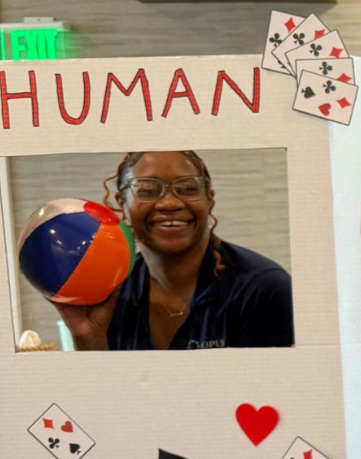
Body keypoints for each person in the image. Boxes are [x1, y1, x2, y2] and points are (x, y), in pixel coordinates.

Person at [54, 150, 293, 350]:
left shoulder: (262, 289)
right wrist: (89, 339)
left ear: (209, 198)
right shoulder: (112, 291)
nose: (169, 203)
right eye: (147, 190)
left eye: (187, 188)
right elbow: (107, 399)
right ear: (121, 203)